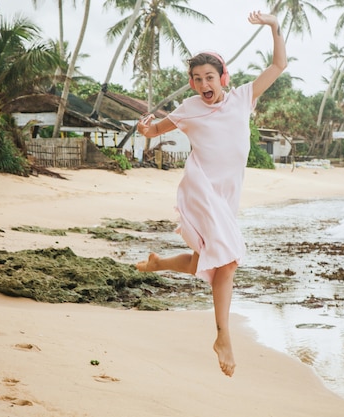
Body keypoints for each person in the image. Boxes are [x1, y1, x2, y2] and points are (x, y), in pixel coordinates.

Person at [136, 10, 287, 377]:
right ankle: (223, 337)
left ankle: (159, 264)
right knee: (228, 262)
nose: (205, 83)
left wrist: (274, 26)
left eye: (210, 77)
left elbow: (279, 64)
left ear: (223, 78)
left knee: (210, 259)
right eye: (197, 78)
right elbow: (155, 131)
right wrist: (145, 128)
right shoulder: (188, 109)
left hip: (227, 195)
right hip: (201, 189)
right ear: (191, 84)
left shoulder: (242, 97)